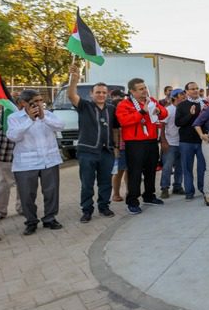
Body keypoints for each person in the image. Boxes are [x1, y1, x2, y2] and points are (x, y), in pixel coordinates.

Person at [7, 90, 65, 235]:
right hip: (26, 163)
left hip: (49, 161)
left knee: (51, 191)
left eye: (40, 101)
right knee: (27, 195)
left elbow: (60, 126)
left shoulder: (48, 114)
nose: (39, 104)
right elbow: (13, 136)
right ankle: (31, 221)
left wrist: (44, 118)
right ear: (24, 103)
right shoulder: (14, 117)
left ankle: (50, 218)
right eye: (35, 101)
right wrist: (30, 120)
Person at [68, 64, 120, 223]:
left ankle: (104, 206)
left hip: (106, 152)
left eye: (104, 92)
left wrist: (116, 148)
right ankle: (87, 210)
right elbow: (71, 95)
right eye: (98, 92)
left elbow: (116, 129)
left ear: (108, 94)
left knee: (105, 182)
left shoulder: (112, 109)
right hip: (87, 152)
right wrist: (74, 80)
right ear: (91, 94)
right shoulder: (85, 106)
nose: (101, 95)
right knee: (87, 183)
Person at [115, 78, 168, 215]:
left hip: (151, 141)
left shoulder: (151, 101)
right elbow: (124, 121)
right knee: (135, 173)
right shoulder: (124, 104)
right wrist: (142, 112)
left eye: (145, 88)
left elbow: (164, 113)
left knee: (151, 170)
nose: (144, 91)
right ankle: (132, 201)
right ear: (132, 91)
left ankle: (149, 195)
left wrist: (158, 110)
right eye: (141, 89)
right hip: (134, 143)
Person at [0, 98, 23, 224]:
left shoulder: (27, 114)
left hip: (22, 155)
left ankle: (23, 207)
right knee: (2, 183)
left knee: (23, 183)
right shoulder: (0, 114)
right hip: (4, 153)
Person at [176, 82, 207, 200]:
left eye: (197, 88)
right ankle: (189, 192)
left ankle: (204, 188)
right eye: (192, 89)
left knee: (202, 167)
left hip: (201, 141)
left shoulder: (204, 104)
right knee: (187, 168)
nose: (195, 90)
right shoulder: (182, 105)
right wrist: (190, 114)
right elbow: (178, 123)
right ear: (186, 92)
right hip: (186, 141)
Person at [159, 88, 185, 198]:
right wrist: (163, 141)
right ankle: (164, 188)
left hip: (182, 143)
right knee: (167, 167)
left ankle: (177, 186)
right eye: (181, 94)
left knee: (180, 167)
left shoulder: (185, 109)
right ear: (175, 97)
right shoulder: (168, 110)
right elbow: (162, 125)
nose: (184, 96)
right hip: (170, 143)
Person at [109, 89, 127, 202]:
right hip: (120, 147)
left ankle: (129, 191)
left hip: (129, 146)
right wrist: (116, 148)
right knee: (119, 171)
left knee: (129, 170)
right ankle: (115, 194)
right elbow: (115, 132)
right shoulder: (114, 116)